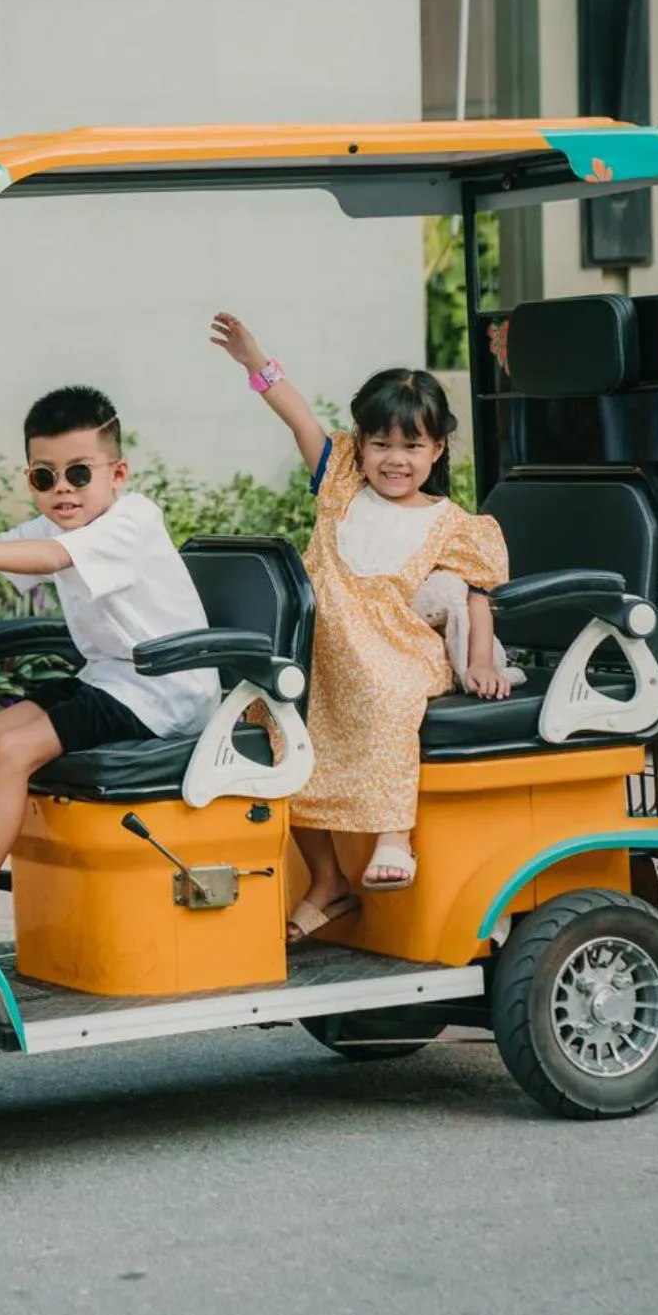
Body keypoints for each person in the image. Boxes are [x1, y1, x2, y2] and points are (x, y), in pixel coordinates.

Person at [211, 312, 509, 939]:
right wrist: (253, 360)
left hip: (393, 648)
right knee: (277, 726)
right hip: (319, 645)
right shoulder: (340, 481)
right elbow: (298, 417)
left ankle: (394, 837)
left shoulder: (455, 523)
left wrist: (480, 660)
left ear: (437, 449)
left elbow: (475, 597)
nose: (394, 460)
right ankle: (327, 879)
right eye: (381, 444)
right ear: (360, 445)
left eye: (411, 447)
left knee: (386, 699)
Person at [0, 385, 219, 927]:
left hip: (165, 690)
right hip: (111, 680)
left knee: (12, 753)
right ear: (31, 481)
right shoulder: (55, 523)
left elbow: (47, 557)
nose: (62, 490)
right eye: (45, 477)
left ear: (118, 474)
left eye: (79, 474)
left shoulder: (132, 520)